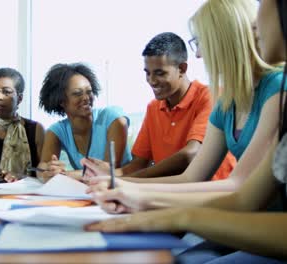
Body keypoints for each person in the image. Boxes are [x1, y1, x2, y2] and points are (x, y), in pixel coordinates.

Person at [87, 0, 287, 262]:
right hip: (245, 218)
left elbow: (235, 185)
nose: (200, 55)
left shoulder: (277, 89)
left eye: (199, 43)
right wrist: (125, 188)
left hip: (260, 225)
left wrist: (141, 195)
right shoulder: (227, 101)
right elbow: (197, 179)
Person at [83, 32, 236, 181]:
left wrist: (124, 181)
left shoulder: (210, 97)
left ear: (182, 69)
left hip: (211, 195)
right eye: (147, 73)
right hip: (170, 194)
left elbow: (190, 154)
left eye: (160, 73)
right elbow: (137, 166)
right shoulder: (153, 108)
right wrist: (109, 174)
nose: (151, 80)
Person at [37, 63, 132, 182]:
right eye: (77, 93)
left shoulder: (113, 118)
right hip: (89, 192)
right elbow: (43, 166)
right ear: (61, 101)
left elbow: (108, 171)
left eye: (89, 92)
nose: (86, 98)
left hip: (123, 187)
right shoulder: (57, 131)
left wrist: (65, 174)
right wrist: (47, 171)